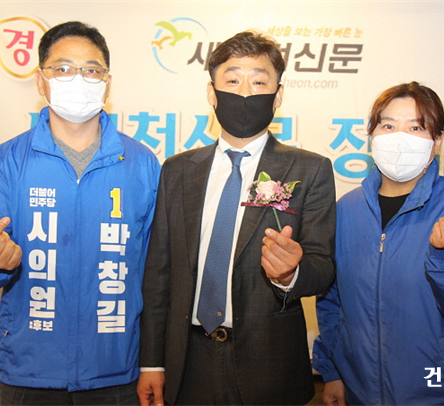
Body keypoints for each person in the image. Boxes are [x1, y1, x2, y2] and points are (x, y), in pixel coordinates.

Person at [0, 21, 160, 405]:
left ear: (107, 83)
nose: (78, 79)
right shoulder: (7, 162)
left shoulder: (142, 164)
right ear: (40, 80)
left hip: (114, 369)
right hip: (29, 369)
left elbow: (158, 270)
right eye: (63, 69)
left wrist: (153, 360)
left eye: (91, 70)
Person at [137, 31, 336, 406]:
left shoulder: (309, 169)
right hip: (186, 360)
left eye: (258, 82)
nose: (245, 93)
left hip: (269, 365)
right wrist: (151, 362)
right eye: (232, 81)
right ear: (211, 93)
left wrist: (290, 273)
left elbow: (322, 267)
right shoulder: (177, 171)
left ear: (278, 95)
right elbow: (159, 273)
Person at [313, 82, 444, 406]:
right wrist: (333, 371)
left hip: (443, 395)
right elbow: (331, 301)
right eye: (388, 126)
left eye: (416, 127)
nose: (399, 138)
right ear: (371, 136)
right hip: (360, 393)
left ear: (438, 142)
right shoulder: (346, 210)